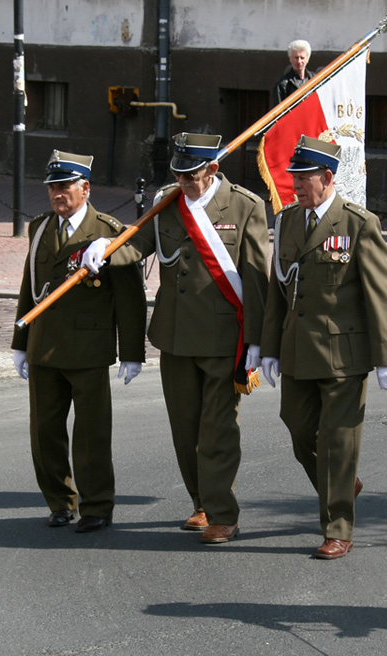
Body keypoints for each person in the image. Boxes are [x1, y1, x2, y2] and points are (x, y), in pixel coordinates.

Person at [85, 132, 270, 544]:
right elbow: (138, 243)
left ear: (213, 169)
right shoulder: (167, 203)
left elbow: (257, 278)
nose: (184, 182)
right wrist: (107, 248)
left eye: (192, 175)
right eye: (179, 174)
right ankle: (202, 501)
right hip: (175, 336)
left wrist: (258, 341)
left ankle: (223, 514)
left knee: (218, 429)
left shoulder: (245, 206)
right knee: (185, 431)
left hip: (224, 339)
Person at [260, 135, 387, 560]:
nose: (296, 186)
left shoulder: (358, 224)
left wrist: (386, 358)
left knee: (339, 443)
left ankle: (338, 527)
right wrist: (269, 347)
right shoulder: (288, 221)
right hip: (298, 349)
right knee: (299, 429)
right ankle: (342, 484)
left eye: (304, 178)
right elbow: (278, 289)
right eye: (294, 178)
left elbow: (381, 294)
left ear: (327, 177)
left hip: (344, 355)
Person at [11, 150, 146, 533]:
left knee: (91, 435)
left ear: (85, 188)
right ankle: (59, 501)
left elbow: (130, 299)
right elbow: (29, 286)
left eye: (65, 186)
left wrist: (132, 353)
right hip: (44, 347)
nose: (58, 193)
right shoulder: (40, 228)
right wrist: (20, 342)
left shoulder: (108, 232)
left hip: (88, 349)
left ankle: (97, 506)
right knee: (45, 433)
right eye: (53, 186)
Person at [274, 39, 314, 105]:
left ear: (307, 59)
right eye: (296, 57)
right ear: (290, 59)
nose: (299, 61)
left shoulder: (315, 79)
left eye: (302, 58)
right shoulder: (282, 84)